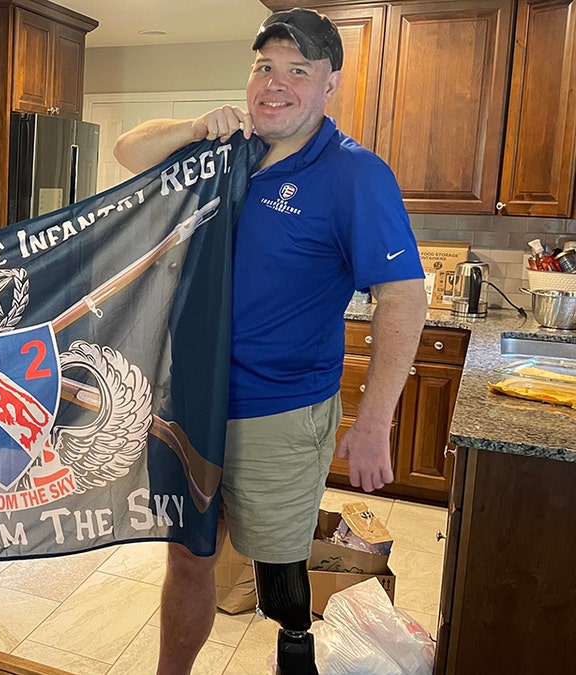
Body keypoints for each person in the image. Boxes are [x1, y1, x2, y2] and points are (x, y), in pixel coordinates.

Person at [114, 9, 427, 675]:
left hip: (281, 409)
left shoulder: (353, 174)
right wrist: (197, 126)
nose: (276, 83)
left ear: (329, 85)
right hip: (191, 402)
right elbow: (128, 151)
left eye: (298, 70)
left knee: (278, 555)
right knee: (190, 552)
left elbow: (403, 295)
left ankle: (294, 645)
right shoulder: (224, 152)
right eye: (265, 67)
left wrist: (375, 423)